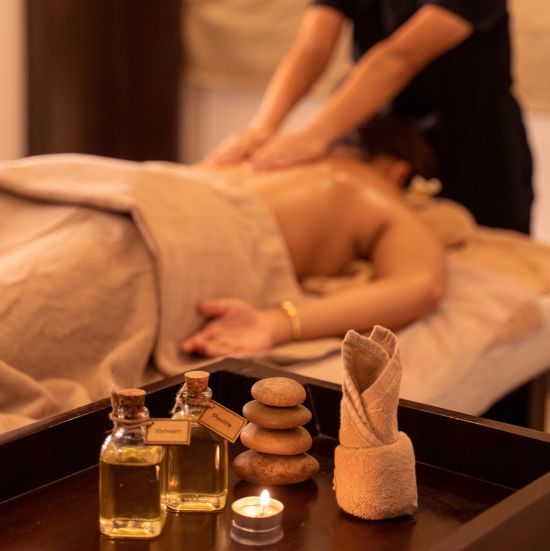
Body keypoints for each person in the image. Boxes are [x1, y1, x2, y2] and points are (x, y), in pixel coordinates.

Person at [205, 1, 533, 234]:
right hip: (392, 146)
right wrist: (263, 128)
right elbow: (312, 47)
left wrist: (315, 135)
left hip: (478, 153)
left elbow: (397, 58)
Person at [181, 115, 447, 357]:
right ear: (398, 172)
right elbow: (422, 287)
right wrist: (277, 322)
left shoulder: (256, 158)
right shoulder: (376, 188)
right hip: (184, 240)